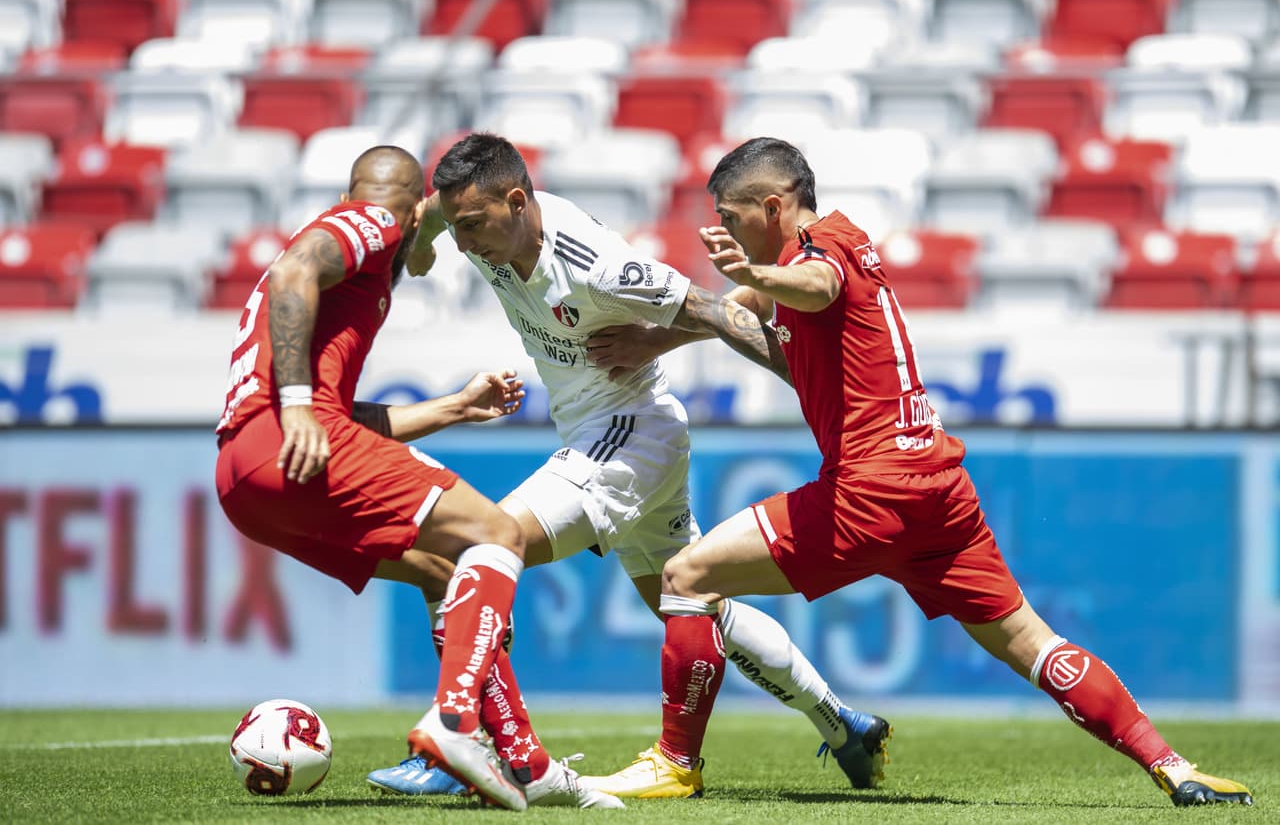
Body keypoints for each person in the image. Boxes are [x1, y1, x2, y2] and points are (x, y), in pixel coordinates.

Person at [585, 136, 1255, 808]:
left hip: (870, 491)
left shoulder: (817, 258)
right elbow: (765, 322)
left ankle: (675, 763)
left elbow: (812, 286)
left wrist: (758, 279)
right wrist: (662, 336)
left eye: (730, 220)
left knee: (685, 576)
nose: (724, 233)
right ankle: (1173, 766)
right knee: (1032, 641)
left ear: (772, 207)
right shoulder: (832, 244)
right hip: (939, 491)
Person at [365, 132, 892, 801]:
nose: (468, 244)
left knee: (484, 544)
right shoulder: (478, 218)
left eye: (473, 227)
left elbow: (713, 308)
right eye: (459, 227)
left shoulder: (594, 262)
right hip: (613, 431)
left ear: (518, 201)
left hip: (627, 431)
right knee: (689, 602)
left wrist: (801, 373)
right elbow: (435, 211)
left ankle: (460, 737)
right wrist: (425, 239)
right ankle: (842, 722)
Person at [214, 145, 604, 811]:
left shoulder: (348, 287)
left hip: (243, 480)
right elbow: (291, 272)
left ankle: (523, 760)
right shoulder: (373, 219)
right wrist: (303, 405)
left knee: (443, 570)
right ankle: (454, 723)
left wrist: (454, 406)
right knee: (499, 533)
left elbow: (348, 414)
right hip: (287, 437)